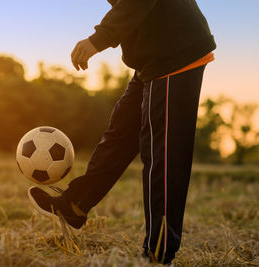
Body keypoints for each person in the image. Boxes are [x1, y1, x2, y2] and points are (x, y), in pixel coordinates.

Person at [28, 0, 216, 265]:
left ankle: (159, 253)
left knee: (162, 156)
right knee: (120, 134)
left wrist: (98, 39)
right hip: (153, 56)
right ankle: (75, 206)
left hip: (175, 52)